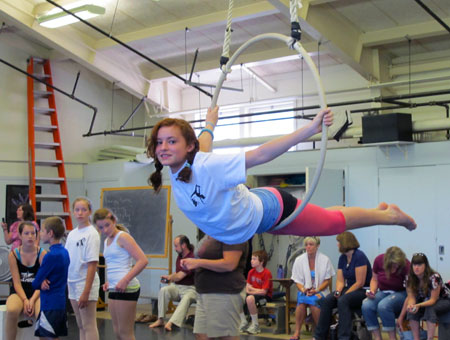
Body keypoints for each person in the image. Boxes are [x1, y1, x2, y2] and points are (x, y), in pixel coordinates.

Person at [146, 106, 417, 246]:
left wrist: (309, 130)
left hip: (270, 210)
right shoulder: (183, 167)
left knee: (332, 224)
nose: (164, 148)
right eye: (160, 143)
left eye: (172, 141)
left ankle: (390, 216)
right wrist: (210, 124)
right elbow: (203, 144)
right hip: (255, 222)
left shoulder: (207, 166)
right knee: (321, 216)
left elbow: (261, 155)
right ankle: (379, 211)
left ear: (187, 145)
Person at [93, 208, 148, 340]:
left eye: (107, 225)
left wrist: (125, 280)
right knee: (117, 332)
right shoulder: (106, 241)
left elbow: (143, 260)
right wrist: (109, 282)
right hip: (114, 287)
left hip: (128, 288)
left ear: (114, 221)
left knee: (125, 333)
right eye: (101, 227)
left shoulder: (123, 237)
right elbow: (114, 265)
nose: (105, 230)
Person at [181, 235, 248, 340]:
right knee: (201, 334)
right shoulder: (211, 232)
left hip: (224, 292)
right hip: (204, 292)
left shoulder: (232, 230)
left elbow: (229, 264)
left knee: (225, 336)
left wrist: (197, 263)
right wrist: (192, 262)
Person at [313, 231, 372, 340]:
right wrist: (338, 292)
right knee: (328, 300)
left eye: (338, 242)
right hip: (349, 289)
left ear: (345, 243)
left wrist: (344, 294)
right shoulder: (342, 258)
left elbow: (360, 282)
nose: (337, 244)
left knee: (343, 300)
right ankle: (319, 336)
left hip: (362, 290)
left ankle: (344, 337)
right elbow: (340, 280)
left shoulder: (359, 256)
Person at [65, 197, 100, 340]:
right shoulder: (72, 234)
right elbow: (67, 259)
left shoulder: (92, 233)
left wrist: (86, 291)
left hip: (85, 282)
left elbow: (92, 264)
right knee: (80, 325)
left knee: (89, 324)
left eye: (84, 210)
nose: (80, 213)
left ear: (89, 212)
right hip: (72, 281)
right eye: (77, 210)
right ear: (73, 212)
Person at [5, 221, 46, 340]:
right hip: (19, 292)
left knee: (41, 313)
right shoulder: (14, 254)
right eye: (26, 233)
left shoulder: (42, 254)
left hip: (37, 293)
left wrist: (32, 300)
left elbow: (42, 282)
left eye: (33, 233)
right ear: (20, 235)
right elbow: (16, 282)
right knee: (12, 310)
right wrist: (24, 300)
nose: (30, 236)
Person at [32, 216, 70, 339]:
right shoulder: (64, 252)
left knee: (49, 337)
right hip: (59, 301)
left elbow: (35, 283)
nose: (40, 234)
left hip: (50, 303)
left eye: (42, 231)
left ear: (50, 233)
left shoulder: (50, 256)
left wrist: (41, 280)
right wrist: (43, 279)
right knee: (48, 336)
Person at [291, 236, 335, 340]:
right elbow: (297, 280)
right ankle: (297, 333)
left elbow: (327, 280)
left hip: (320, 290)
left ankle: (319, 334)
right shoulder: (299, 260)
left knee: (314, 302)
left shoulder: (325, 259)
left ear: (317, 246)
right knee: (301, 302)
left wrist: (317, 290)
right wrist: (303, 289)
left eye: (311, 245)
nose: (308, 247)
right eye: (306, 245)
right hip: (305, 290)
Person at [397, 253, 450, 340]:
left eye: (420, 264)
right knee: (411, 310)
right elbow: (411, 298)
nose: (416, 267)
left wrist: (418, 305)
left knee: (430, 308)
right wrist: (412, 306)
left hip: (442, 300)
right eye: (414, 264)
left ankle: (430, 338)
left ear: (425, 265)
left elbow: (433, 300)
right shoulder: (409, 278)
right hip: (424, 301)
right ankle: (416, 338)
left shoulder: (434, 277)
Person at [150, 235, 197, 331]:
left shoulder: (192, 257)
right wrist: (169, 277)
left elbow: (180, 276)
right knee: (164, 290)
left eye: (176, 246)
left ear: (183, 245)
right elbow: (177, 273)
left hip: (191, 289)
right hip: (178, 286)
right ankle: (160, 319)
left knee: (187, 298)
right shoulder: (179, 257)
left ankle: (172, 322)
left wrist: (170, 278)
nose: (175, 248)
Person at [361, 246, 409, 340]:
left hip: (401, 293)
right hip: (383, 291)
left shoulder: (406, 265)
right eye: (393, 265)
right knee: (366, 305)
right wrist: (372, 291)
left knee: (384, 306)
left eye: (397, 265)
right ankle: (378, 337)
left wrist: (402, 315)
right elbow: (374, 279)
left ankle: (392, 338)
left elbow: (410, 292)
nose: (395, 267)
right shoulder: (379, 260)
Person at [239, 249, 273, 334]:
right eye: (251, 259)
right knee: (237, 296)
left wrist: (252, 290)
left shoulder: (266, 273)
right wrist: (254, 290)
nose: (251, 261)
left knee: (250, 298)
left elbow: (264, 292)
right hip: (255, 295)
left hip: (265, 298)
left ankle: (255, 325)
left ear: (261, 262)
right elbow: (247, 289)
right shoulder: (251, 272)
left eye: (254, 259)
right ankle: (244, 322)